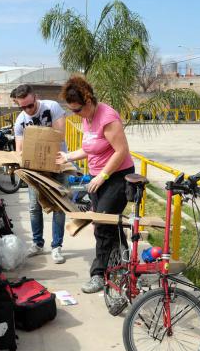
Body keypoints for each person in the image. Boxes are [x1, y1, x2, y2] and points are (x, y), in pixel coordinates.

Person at [56, 76, 135, 294]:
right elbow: (92, 148)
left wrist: (103, 177)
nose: (76, 114)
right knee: (109, 223)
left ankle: (98, 274)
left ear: (89, 101)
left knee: (102, 225)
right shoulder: (86, 117)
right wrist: (69, 157)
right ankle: (123, 263)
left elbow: (121, 151)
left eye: (78, 109)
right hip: (98, 177)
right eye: (73, 110)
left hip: (117, 177)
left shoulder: (107, 117)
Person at [10, 84, 68, 264]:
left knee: (58, 206)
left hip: (58, 165)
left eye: (30, 105)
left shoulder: (52, 107)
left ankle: (56, 246)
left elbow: (60, 136)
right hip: (35, 170)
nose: (27, 110)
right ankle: (37, 243)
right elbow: (19, 150)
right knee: (34, 207)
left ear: (36, 97)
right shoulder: (20, 121)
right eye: (23, 107)